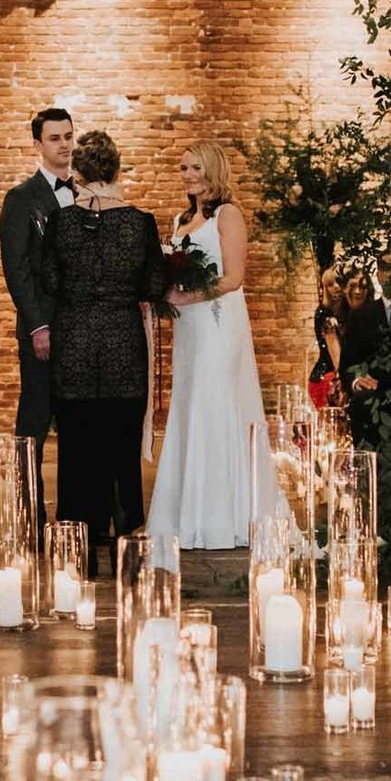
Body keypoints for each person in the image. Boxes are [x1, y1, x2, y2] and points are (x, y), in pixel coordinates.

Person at [41, 130, 167, 570]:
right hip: (122, 348)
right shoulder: (140, 223)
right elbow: (154, 286)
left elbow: (50, 282)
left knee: (76, 448)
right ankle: (124, 544)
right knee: (121, 449)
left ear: (77, 172)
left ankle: (78, 549)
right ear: (116, 170)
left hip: (74, 344)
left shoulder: (61, 223)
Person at [147, 138, 276, 549]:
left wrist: (186, 296)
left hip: (219, 326)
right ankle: (187, 513)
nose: (187, 176)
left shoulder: (228, 214)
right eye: (183, 168)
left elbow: (234, 278)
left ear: (213, 171)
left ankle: (223, 515)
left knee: (215, 405)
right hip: (190, 330)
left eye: (195, 168)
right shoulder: (180, 218)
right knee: (189, 405)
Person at [0, 106, 76, 520]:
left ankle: (74, 517)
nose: (63, 145)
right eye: (54, 139)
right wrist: (37, 325)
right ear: (37, 144)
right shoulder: (22, 198)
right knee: (34, 422)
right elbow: (17, 269)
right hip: (41, 330)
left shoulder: (83, 195)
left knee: (76, 427)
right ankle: (28, 515)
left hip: (80, 330)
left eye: (68, 137)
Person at [338, 263, 388, 448]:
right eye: (388, 267)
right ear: (380, 274)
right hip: (370, 405)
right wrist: (356, 381)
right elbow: (346, 366)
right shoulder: (360, 316)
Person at [307, 264, 346, 409]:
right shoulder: (324, 312)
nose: (335, 287)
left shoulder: (344, 311)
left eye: (338, 282)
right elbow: (334, 354)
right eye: (330, 285)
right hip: (326, 378)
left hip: (332, 376)